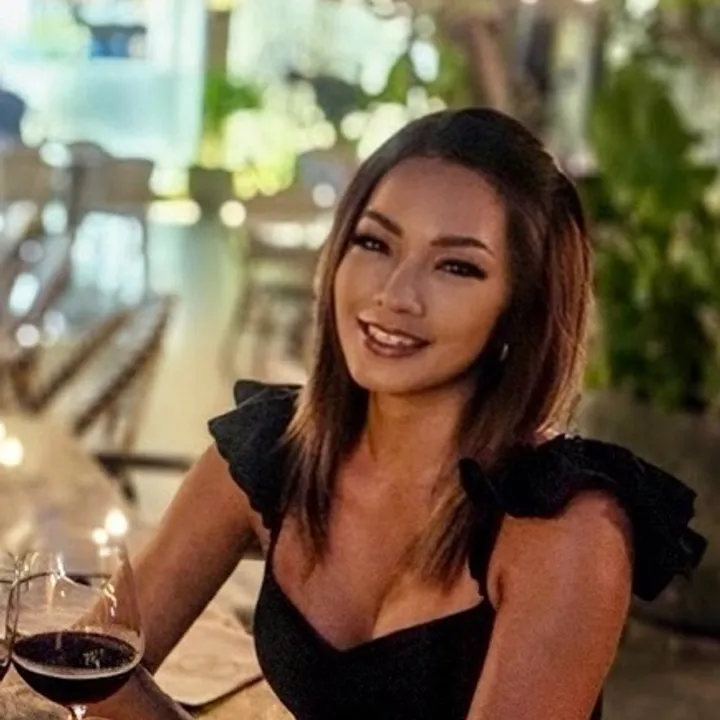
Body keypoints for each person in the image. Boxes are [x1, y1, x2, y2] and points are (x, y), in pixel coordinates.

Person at [90, 108, 706, 720]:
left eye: (456, 266)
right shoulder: (273, 451)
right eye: (375, 243)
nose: (395, 294)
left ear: (521, 308)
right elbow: (94, 672)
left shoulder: (562, 525)